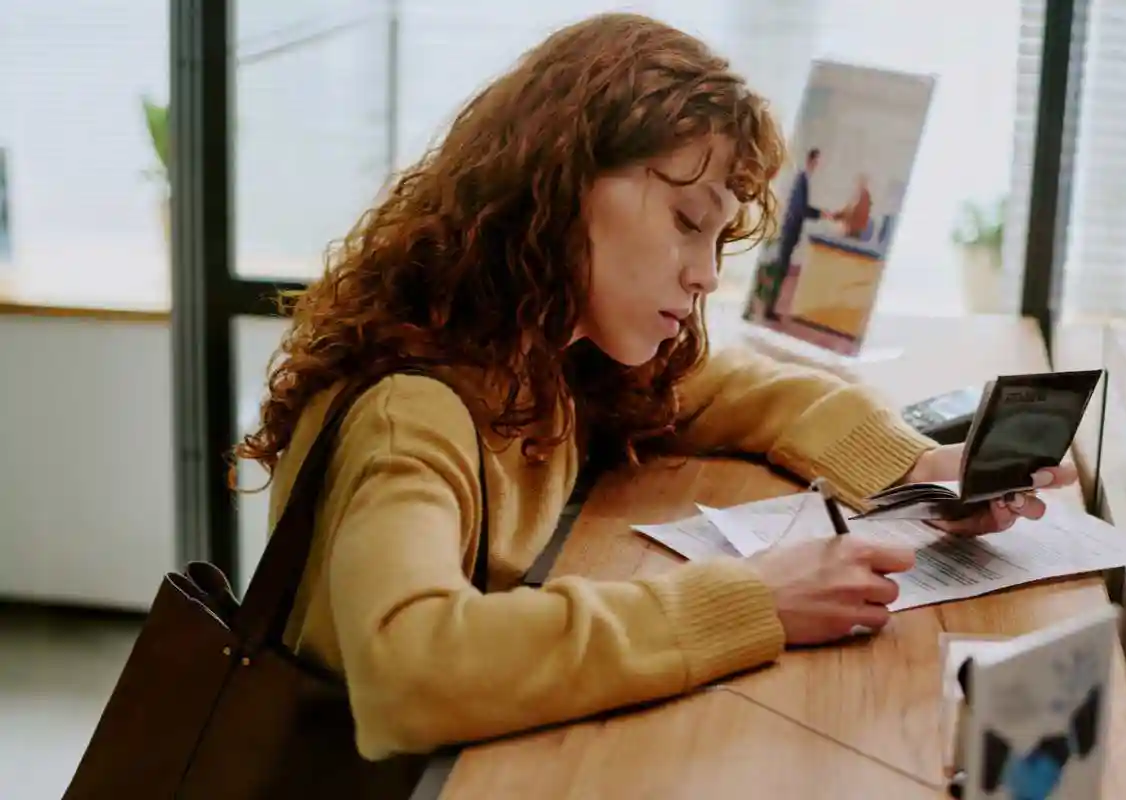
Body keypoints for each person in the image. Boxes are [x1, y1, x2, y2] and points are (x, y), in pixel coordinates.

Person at [234, 13, 1076, 761]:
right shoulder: (413, 409)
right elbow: (408, 670)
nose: (708, 274)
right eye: (685, 222)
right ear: (560, 186)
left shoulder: (556, 354)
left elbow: (742, 389)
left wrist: (912, 471)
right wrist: (754, 600)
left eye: (717, 239)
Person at [760, 147, 826, 320]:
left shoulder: (804, 180)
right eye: (817, 161)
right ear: (810, 160)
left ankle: (769, 308)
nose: (818, 165)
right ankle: (768, 310)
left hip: (791, 232)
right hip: (790, 231)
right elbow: (800, 209)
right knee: (780, 271)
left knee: (781, 271)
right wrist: (820, 214)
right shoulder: (801, 179)